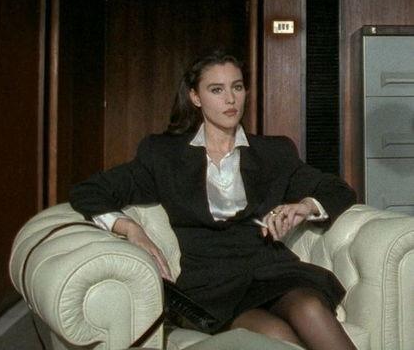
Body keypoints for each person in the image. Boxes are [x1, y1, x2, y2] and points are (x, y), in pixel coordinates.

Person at [69, 49, 357, 350]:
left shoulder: (274, 152)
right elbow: (88, 191)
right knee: (276, 335)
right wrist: (131, 229)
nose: (230, 99)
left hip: (273, 271)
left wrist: (304, 206)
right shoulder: (164, 155)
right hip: (211, 287)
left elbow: (338, 189)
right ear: (195, 97)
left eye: (237, 87)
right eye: (216, 90)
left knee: (310, 308)